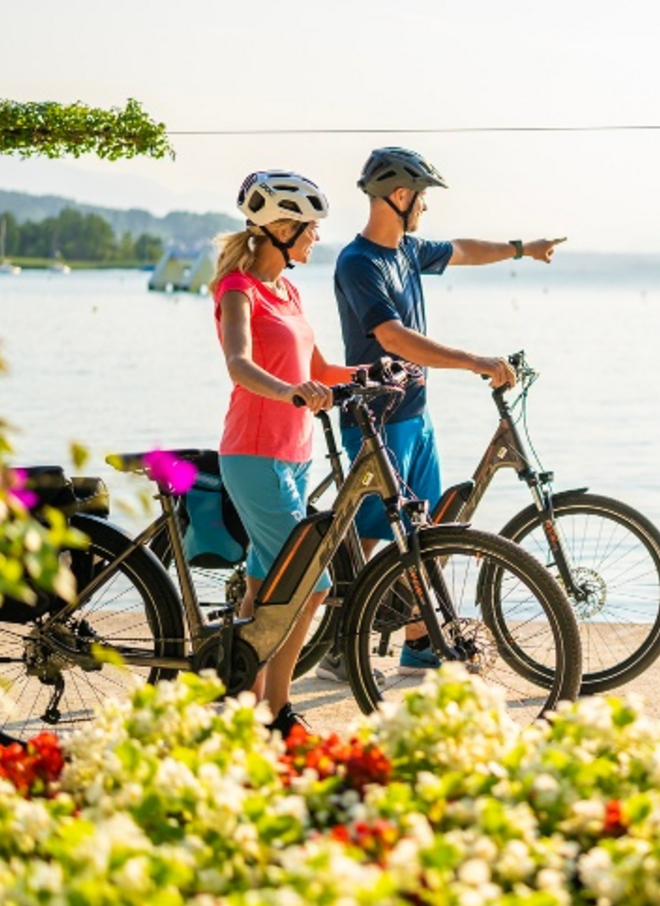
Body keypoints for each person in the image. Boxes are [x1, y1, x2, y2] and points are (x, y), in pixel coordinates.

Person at [322, 146, 564, 679]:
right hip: (377, 421)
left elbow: (463, 251)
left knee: (423, 532)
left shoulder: (407, 250)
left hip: (417, 414)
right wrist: (473, 360)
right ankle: (338, 646)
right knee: (364, 537)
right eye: (423, 197)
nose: (426, 208)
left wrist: (523, 249)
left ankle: (417, 644)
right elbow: (393, 337)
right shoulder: (358, 263)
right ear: (401, 196)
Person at [212, 170, 357, 736]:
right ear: (280, 229)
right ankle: (278, 709)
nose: (316, 238)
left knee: (261, 587)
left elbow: (318, 371)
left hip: (294, 453)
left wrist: (376, 373)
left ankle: (245, 708)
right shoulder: (237, 291)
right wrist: (288, 390)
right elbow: (240, 364)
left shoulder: (287, 291)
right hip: (253, 453)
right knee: (309, 583)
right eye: (310, 228)